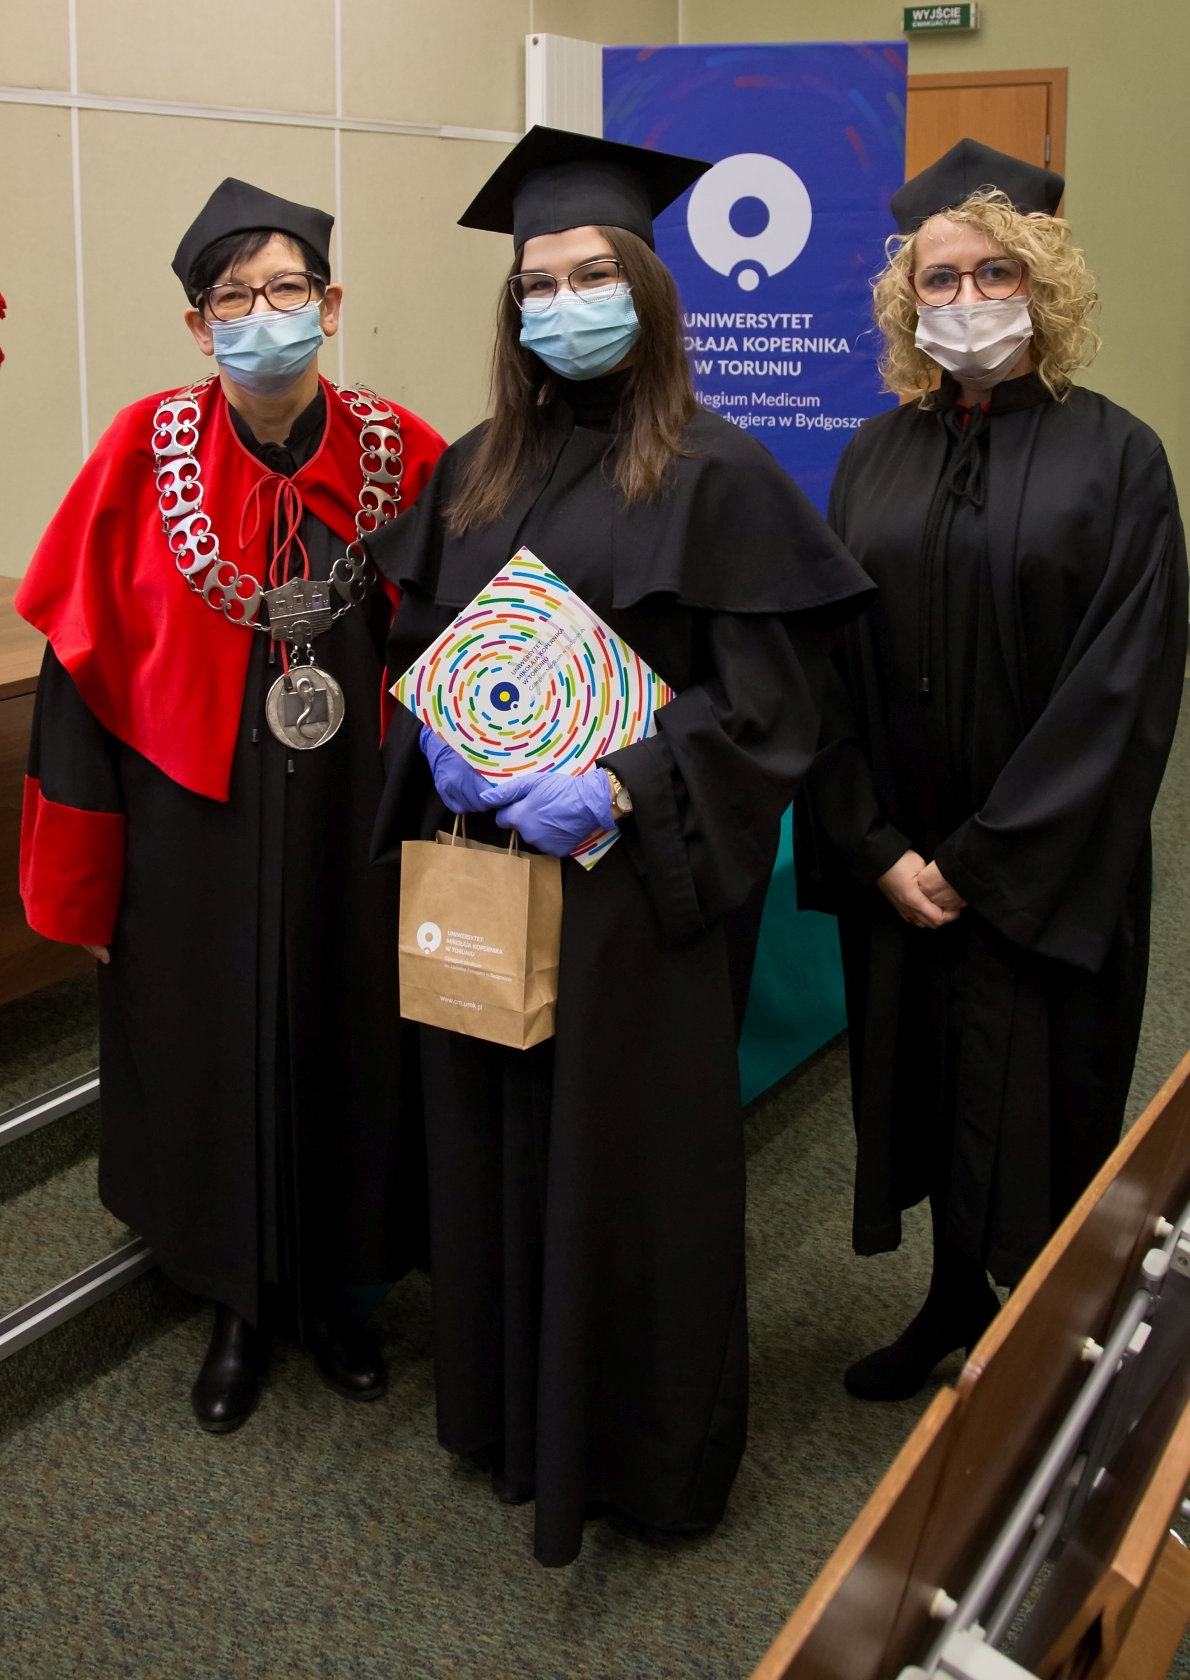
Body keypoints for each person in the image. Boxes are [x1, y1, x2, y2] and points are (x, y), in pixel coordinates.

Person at [367, 126, 873, 1566]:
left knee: (627, 1166)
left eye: (591, 275)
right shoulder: (473, 469)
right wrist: (437, 738)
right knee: (487, 1141)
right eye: (537, 284)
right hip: (486, 876)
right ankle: (507, 1417)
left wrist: (624, 781)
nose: (562, 303)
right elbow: (418, 639)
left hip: (628, 899)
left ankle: (643, 1458)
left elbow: (774, 707)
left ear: (647, 292)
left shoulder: (720, 475)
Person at [17, 177, 446, 1432]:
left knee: (358, 1040)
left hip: (356, 823)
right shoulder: (139, 454)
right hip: (190, 829)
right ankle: (235, 1302)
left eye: (287, 289)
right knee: (206, 1050)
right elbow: (76, 681)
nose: (264, 316)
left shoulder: (403, 453)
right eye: (233, 298)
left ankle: (341, 1295)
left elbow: (468, 637)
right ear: (197, 325)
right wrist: (83, 879)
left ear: (331, 303)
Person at [796, 139, 1188, 1401]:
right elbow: (826, 668)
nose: (964, 299)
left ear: (1042, 283)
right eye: (939, 278)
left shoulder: (1118, 459)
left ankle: (1049, 1336)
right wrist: (874, 849)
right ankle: (949, 1300)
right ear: (906, 298)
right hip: (903, 855)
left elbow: (1119, 686)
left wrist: (976, 862)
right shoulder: (872, 454)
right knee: (924, 1084)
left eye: (993, 273)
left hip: (1043, 859)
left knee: (1039, 1098)